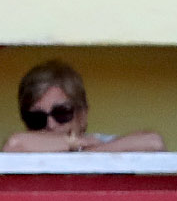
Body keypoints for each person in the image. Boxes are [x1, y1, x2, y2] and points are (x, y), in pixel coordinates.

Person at [3, 60, 165, 154]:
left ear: (82, 115)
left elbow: (153, 142)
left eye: (61, 113)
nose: (50, 125)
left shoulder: (98, 143)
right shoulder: (25, 152)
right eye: (37, 118)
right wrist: (77, 143)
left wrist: (89, 154)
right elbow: (15, 143)